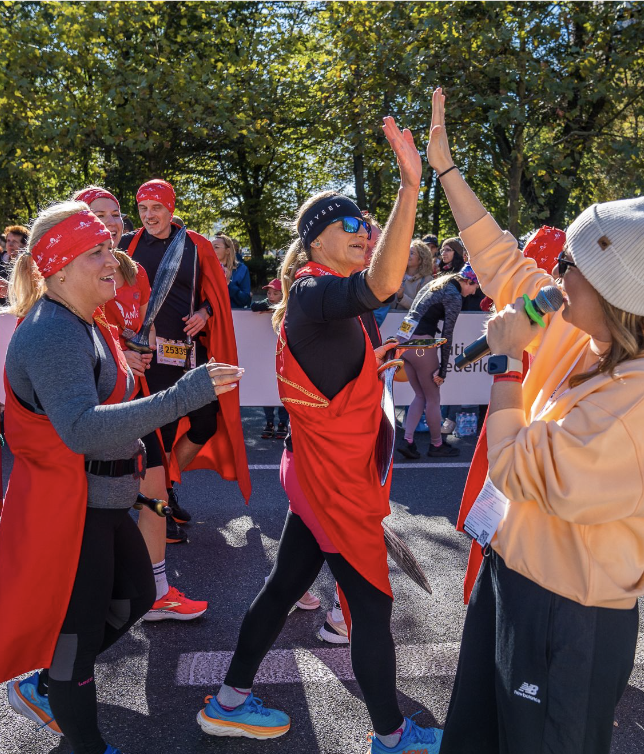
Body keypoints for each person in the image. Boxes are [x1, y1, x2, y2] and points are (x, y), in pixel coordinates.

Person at [426, 87, 644, 754]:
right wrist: (446, 170)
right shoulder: (598, 330)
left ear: (607, 288)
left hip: (566, 610)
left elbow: (514, 467)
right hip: (517, 579)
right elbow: (502, 263)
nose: (554, 276)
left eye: (568, 266)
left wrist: (508, 364)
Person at [198, 116, 443, 754]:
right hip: (333, 483)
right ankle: (391, 736)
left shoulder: (320, 297)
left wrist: (373, 368)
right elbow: (384, 283)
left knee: (283, 588)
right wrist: (409, 187)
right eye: (352, 225)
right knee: (371, 608)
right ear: (316, 243)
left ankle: (227, 701)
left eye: (367, 224)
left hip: (316, 470)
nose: (365, 234)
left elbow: (340, 370)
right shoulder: (313, 289)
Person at [0, 200, 244, 754]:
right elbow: (81, 430)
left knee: (138, 595)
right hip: (70, 516)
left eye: (110, 249)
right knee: (76, 640)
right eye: (97, 252)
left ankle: (51, 684)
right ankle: (81, 732)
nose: (113, 262)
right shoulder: (53, 330)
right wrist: (184, 395)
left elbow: (111, 411)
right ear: (60, 265)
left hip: (99, 505)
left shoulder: (88, 322)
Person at [73, 185, 207, 617]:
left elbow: (142, 323)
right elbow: (66, 335)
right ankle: (76, 605)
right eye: (98, 215)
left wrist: (143, 350)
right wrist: (118, 352)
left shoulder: (133, 270)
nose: (110, 223)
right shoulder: (63, 271)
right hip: (87, 407)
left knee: (154, 486)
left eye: (114, 215)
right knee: (89, 509)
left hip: (134, 393)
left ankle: (156, 592)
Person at [118, 179, 250, 528]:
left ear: (170, 208)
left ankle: (168, 482)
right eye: (143, 208)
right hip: (148, 355)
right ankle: (159, 500)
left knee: (206, 423)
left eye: (156, 207)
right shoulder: (126, 246)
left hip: (191, 353)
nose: (149, 215)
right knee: (158, 429)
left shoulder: (195, 244)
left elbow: (217, 292)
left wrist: (205, 311)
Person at [395, 266, 479, 459]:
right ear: (468, 281)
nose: (473, 292)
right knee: (433, 398)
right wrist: (443, 370)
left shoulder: (436, 283)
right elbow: (447, 336)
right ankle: (436, 445)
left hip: (403, 340)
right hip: (421, 342)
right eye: (475, 287)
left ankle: (407, 440)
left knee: (420, 395)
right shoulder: (454, 296)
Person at [251, 278, 290, 439]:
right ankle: (269, 422)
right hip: (266, 356)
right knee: (267, 388)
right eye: (269, 293)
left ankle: (282, 423)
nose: (271, 296)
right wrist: (272, 306)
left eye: (275, 293)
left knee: (283, 389)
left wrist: (278, 309)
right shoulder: (269, 303)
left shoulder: (292, 306)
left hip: (285, 355)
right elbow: (254, 306)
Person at [392, 239, 434, 311]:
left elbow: (422, 307)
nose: (407, 255)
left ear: (421, 259)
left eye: (411, 253)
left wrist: (401, 297)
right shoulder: (396, 275)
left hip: (408, 321)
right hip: (387, 320)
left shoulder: (427, 280)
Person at [214, 232, 252, 308]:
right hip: (211, 316)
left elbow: (245, 300)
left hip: (234, 315)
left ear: (227, 251)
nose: (211, 250)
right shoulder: (207, 268)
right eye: (210, 247)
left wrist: (228, 283)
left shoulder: (241, 269)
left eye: (216, 247)